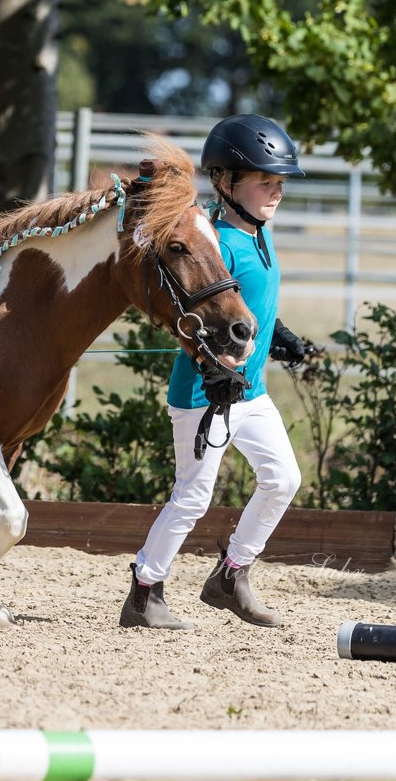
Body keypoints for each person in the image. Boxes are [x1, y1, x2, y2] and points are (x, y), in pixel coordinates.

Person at [120, 113, 308, 630]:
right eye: (263, 182)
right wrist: (214, 370)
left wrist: (282, 336)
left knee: (283, 479)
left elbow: (244, 309)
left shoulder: (257, 235)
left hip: (251, 391)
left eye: (279, 183)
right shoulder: (217, 244)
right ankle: (144, 591)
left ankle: (230, 574)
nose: (275, 192)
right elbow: (197, 313)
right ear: (225, 183)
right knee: (193, 496)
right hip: (207, 394)